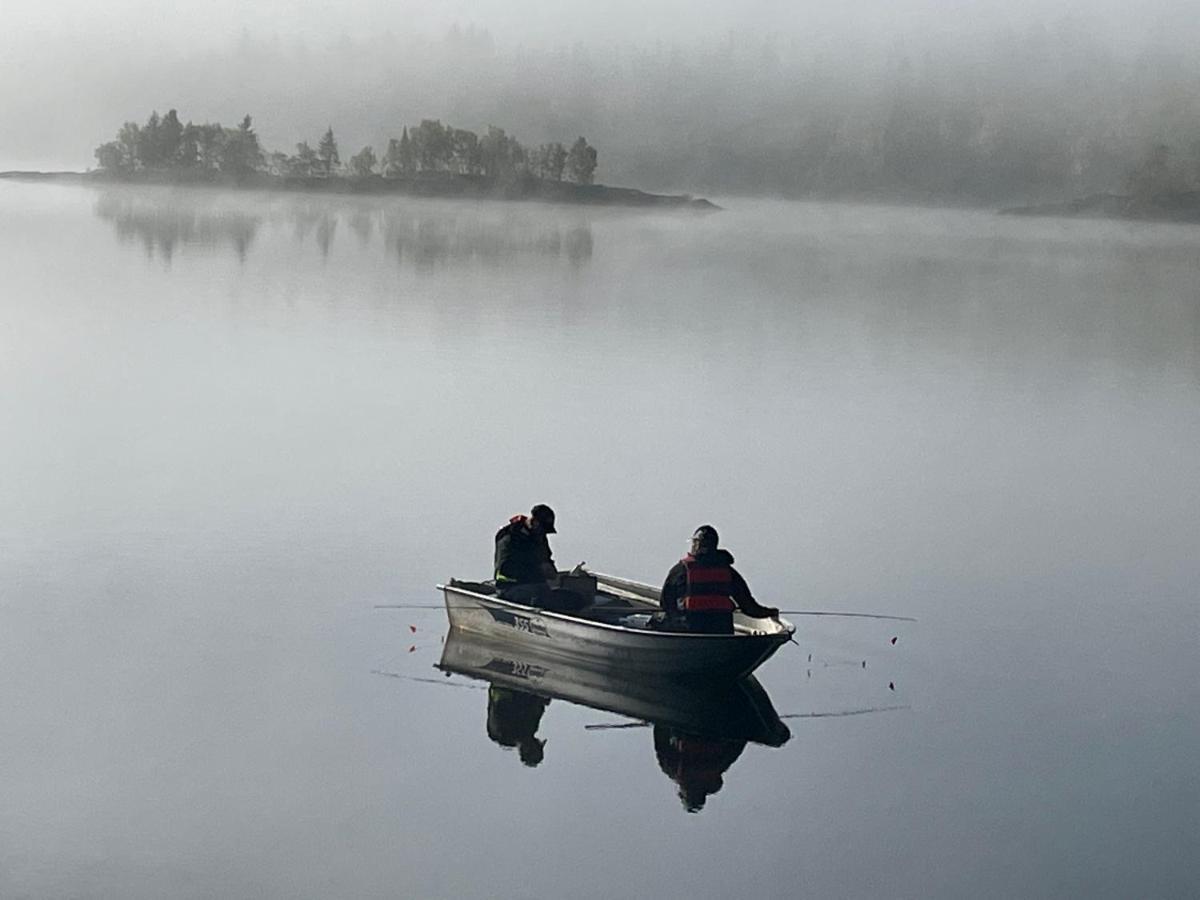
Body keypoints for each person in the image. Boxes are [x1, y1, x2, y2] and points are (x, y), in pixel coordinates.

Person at [658, 525, 779, 634]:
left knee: (657, 621)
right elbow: (749, 607)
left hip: (691, 630)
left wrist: (676, 615)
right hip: (721, 631)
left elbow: (665, 603)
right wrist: (769, 612)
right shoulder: (729, 572)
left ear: (696, 544)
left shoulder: (680, 570)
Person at [493, 504, 560, 606]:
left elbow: (546, 558)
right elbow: (505, 568)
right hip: (509, 587)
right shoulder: (510, 536)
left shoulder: (539, 538)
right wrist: (538, 569)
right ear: (534, 522)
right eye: (542, 529)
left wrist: (550, 569)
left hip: (536, 586)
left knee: (570, 597)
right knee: (541, 597)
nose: (543, 533)